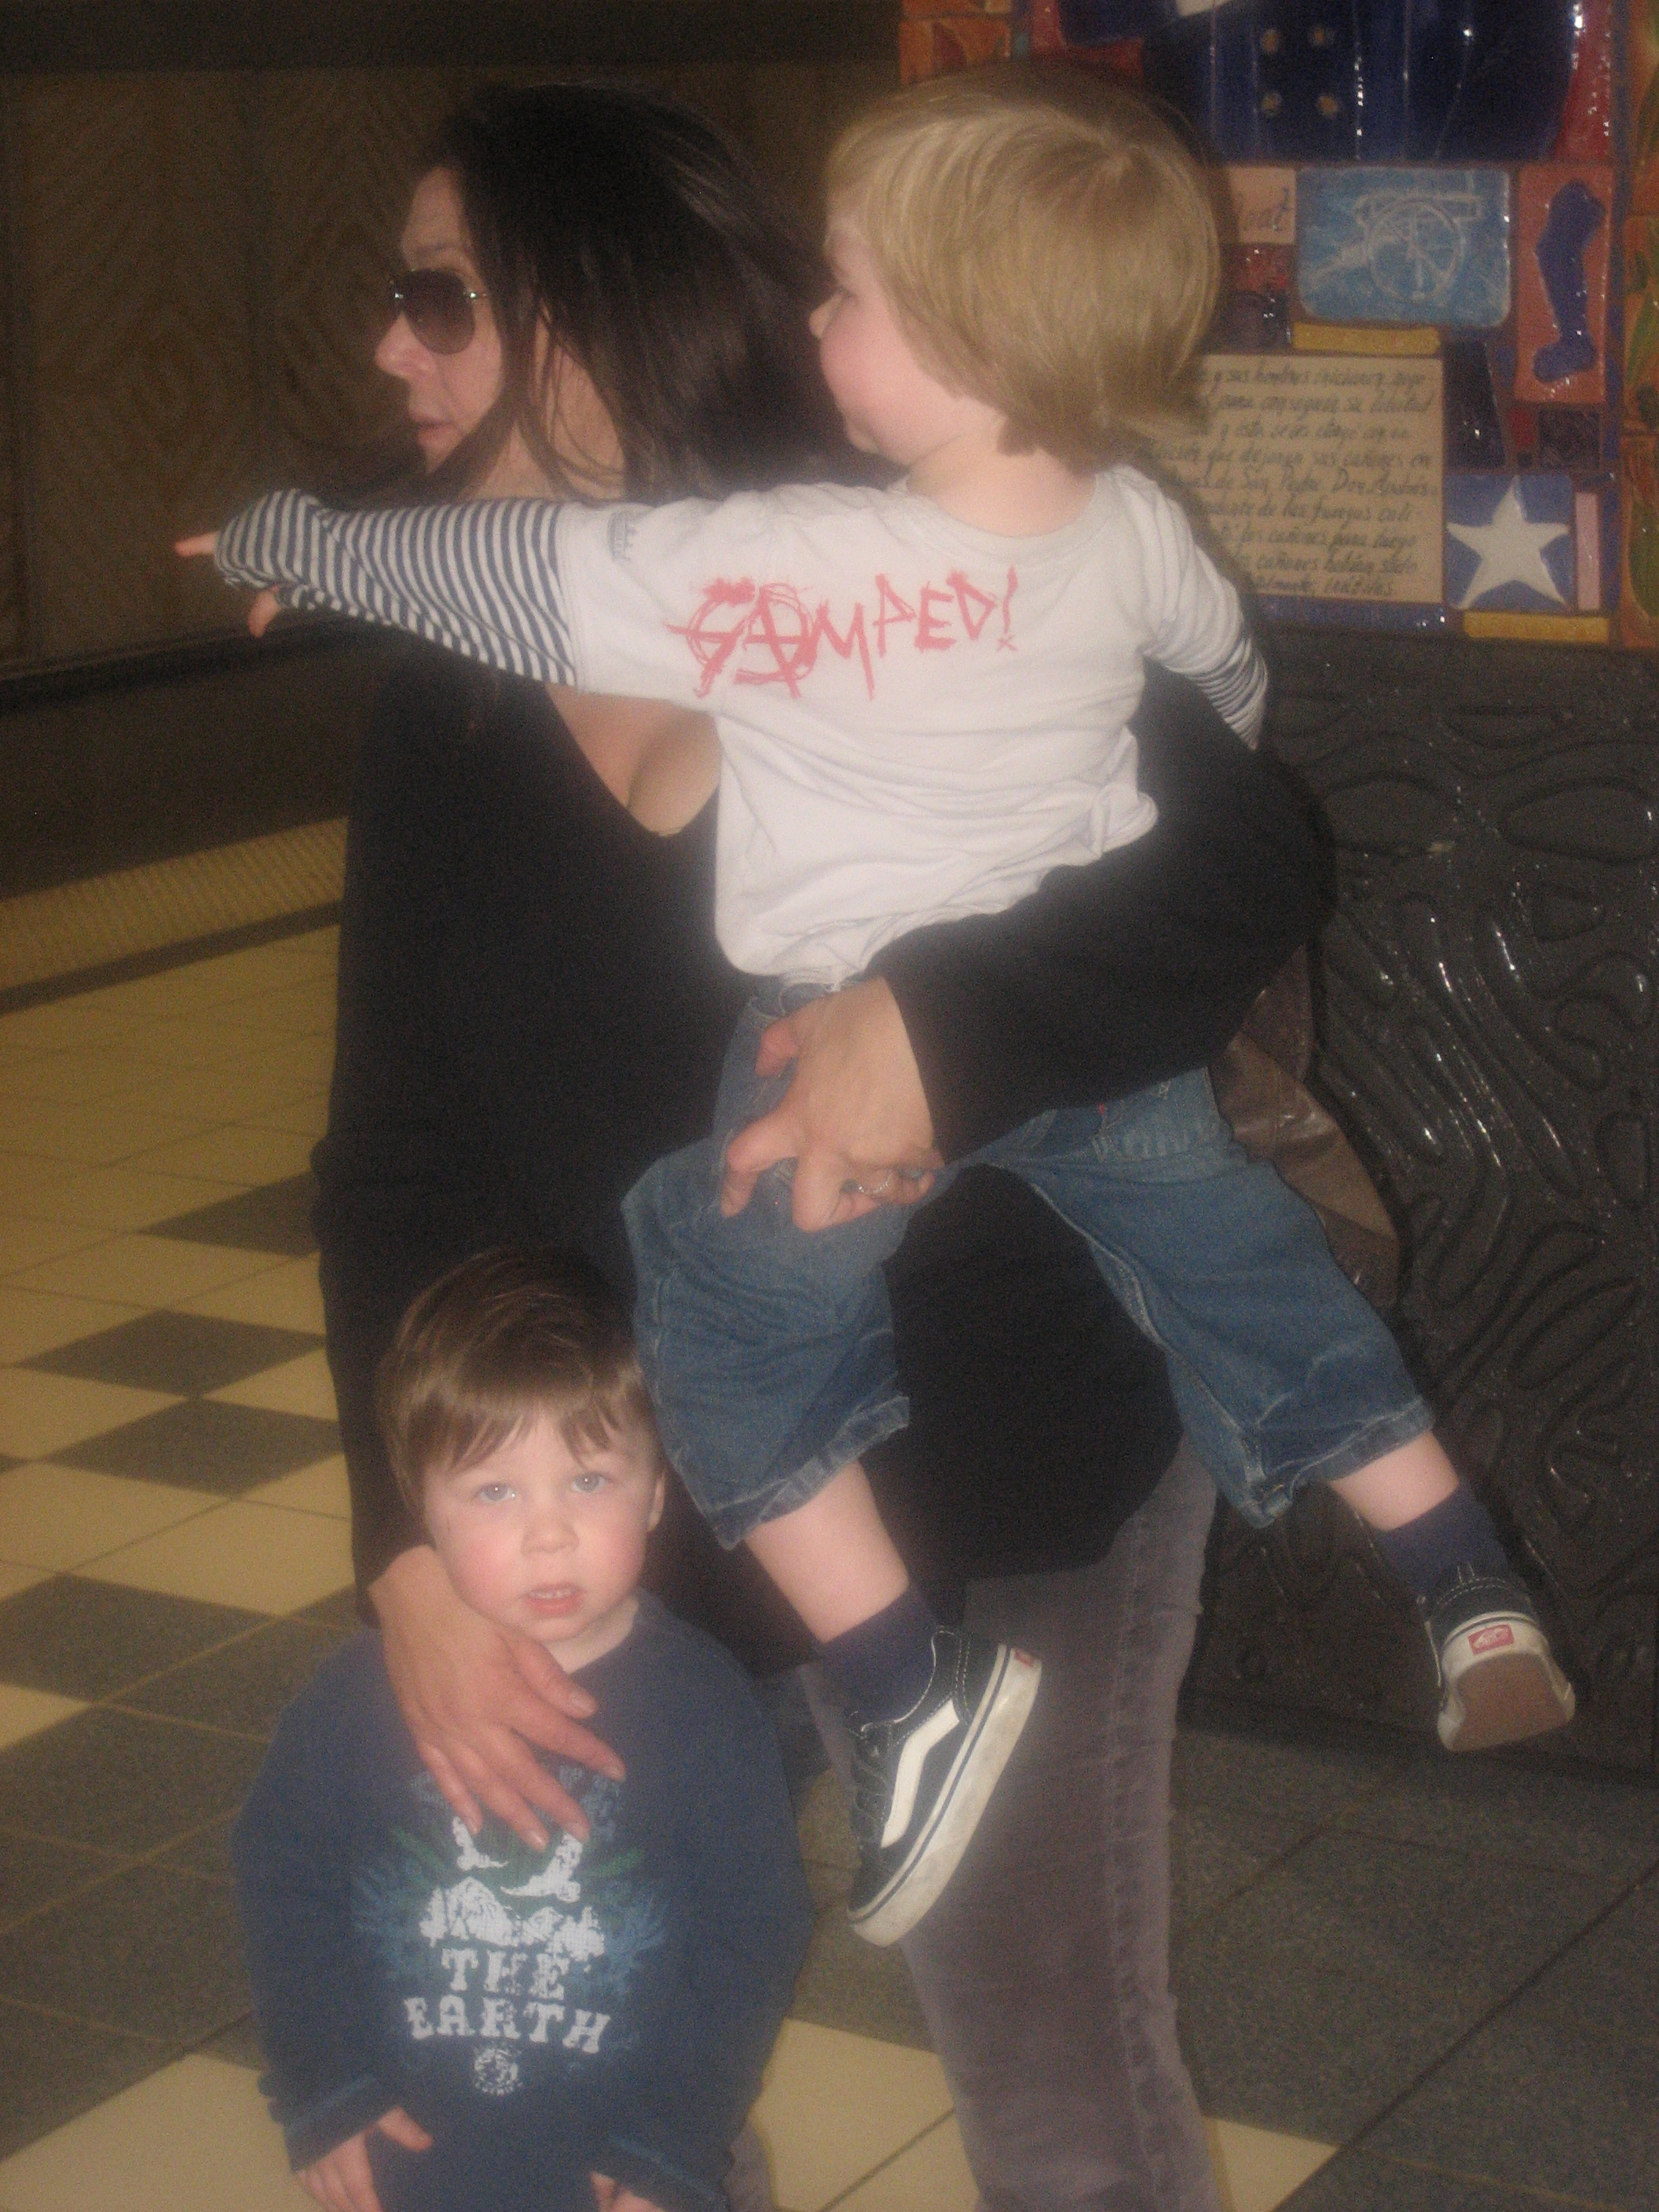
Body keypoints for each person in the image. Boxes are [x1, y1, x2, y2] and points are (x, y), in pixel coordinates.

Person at [203, 68, 1574, 1945]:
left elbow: (1243, 855)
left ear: (591, 312)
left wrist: (934, 1028)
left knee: (1054, 2091)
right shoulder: (448, 722)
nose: (386, 349)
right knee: (602, 2068)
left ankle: (997, 1679)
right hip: (615, 1534)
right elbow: (392, 1171)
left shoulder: (896, 569)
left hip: (1010, 1471)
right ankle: (1428, 1563)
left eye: (441, 296)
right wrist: (409, 1540)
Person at [233, 1248, 814, 2212]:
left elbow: (753, 1932)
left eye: (588, 1480)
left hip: (623, 2166)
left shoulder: (705, 1706)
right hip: (410, 2165)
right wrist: (322, 2085)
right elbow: (281, 1873)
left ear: (658, 1489)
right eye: (495, 1490)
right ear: (418, 1511)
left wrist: (675, 2136)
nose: (549, 1533)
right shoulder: (352, 1700)